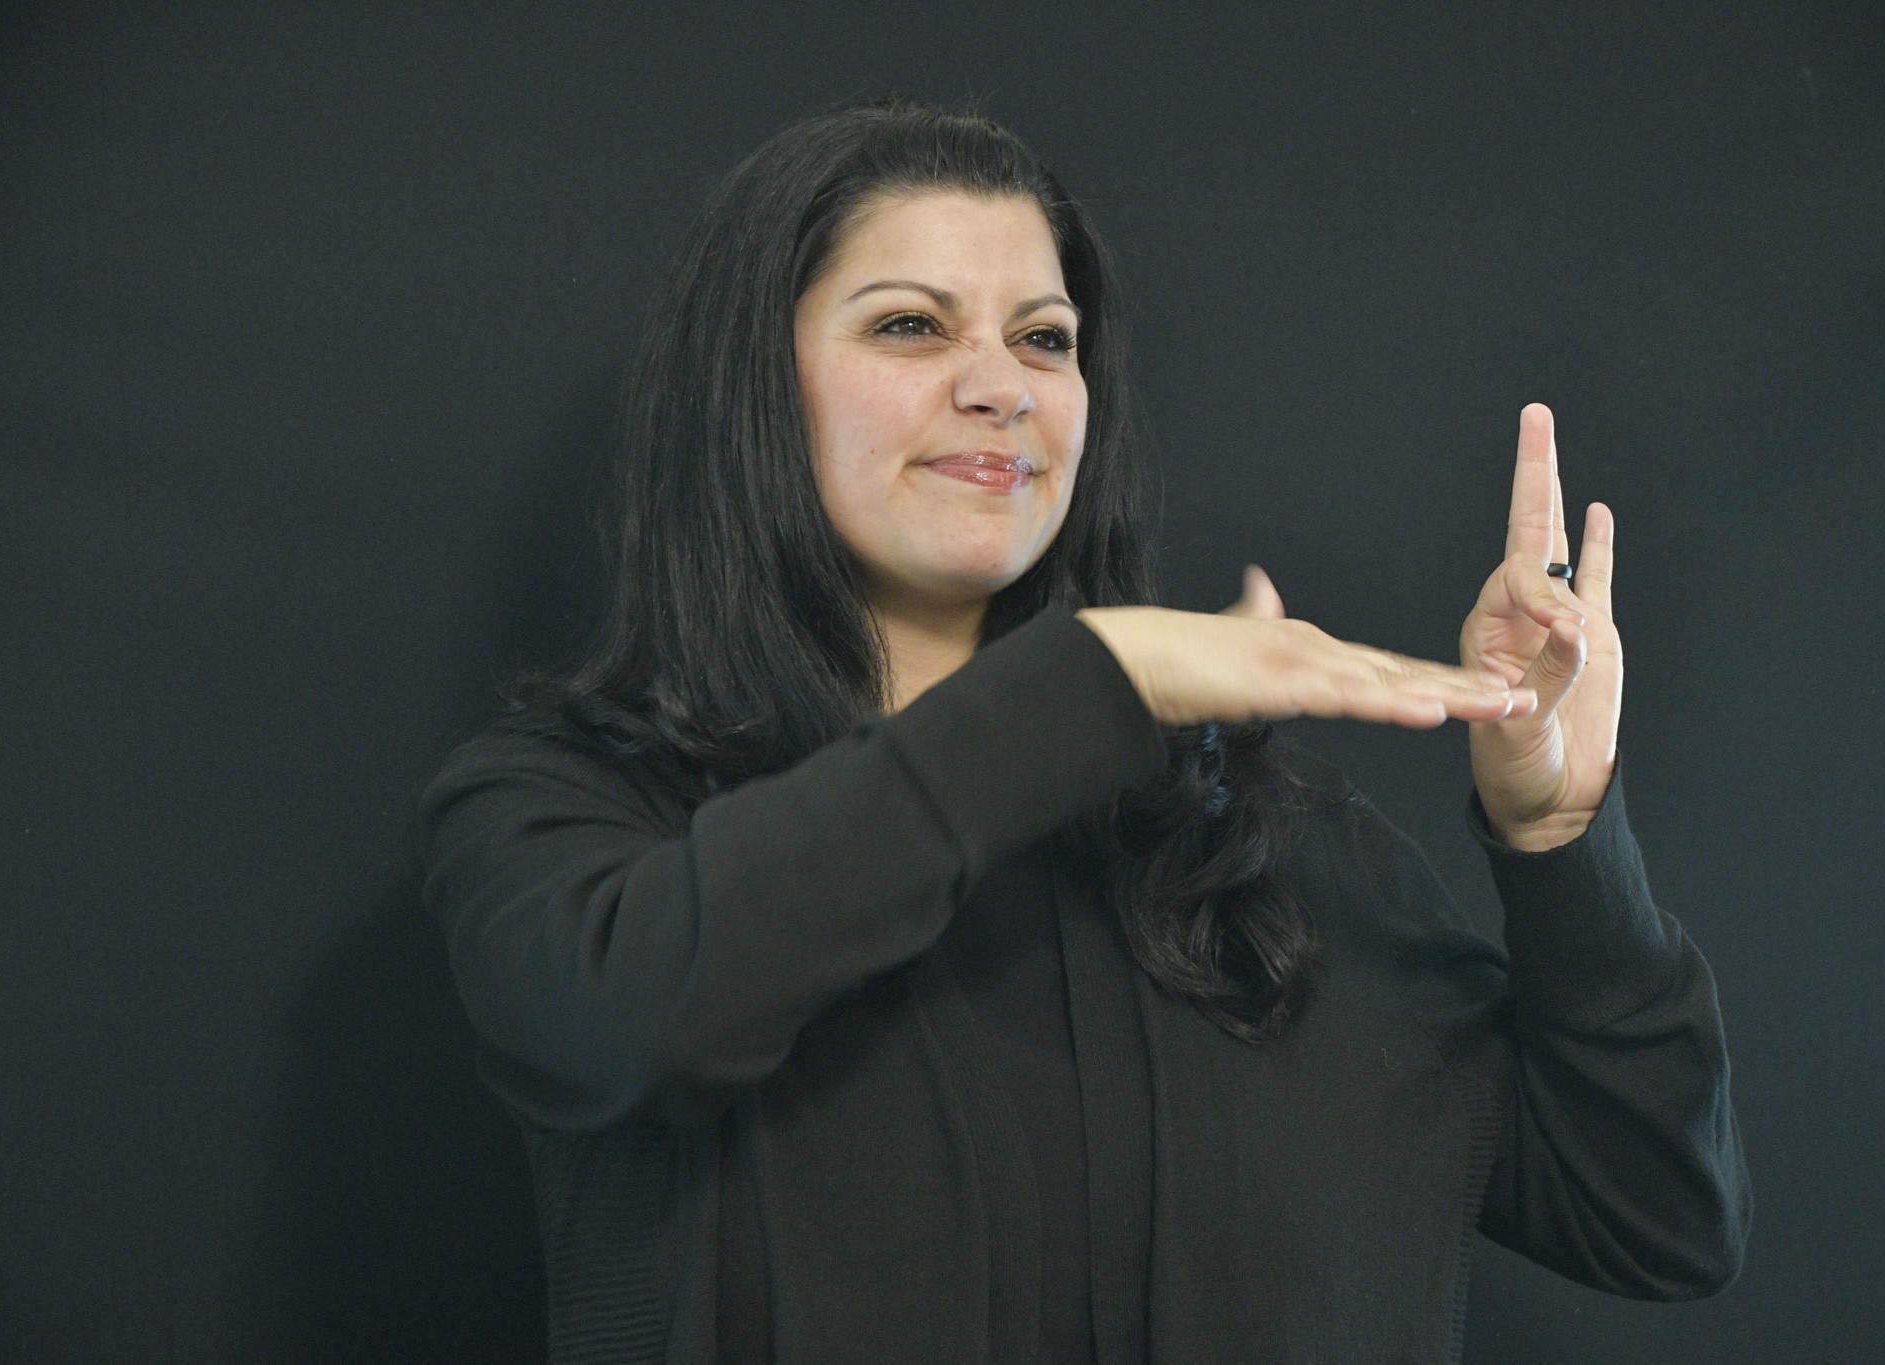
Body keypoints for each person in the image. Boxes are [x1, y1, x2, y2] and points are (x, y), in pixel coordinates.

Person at [417, 98, 1750, 1365]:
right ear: (753, 391)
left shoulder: (1264, 855)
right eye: (909, 326)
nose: (1001, 386)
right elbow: (636, 1021)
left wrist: (1559, 834)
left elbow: (1655, 1213)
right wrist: (1097, 671)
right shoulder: (566, 819)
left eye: (1044, 339)